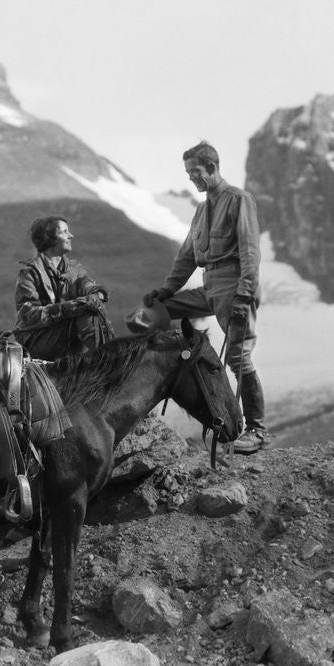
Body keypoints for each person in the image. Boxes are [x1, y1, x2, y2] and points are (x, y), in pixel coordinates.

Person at [144, 141, 269, 454]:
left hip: (232, 285)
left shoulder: (239, 200)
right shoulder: (201, 210)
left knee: (238, 357)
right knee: (155, 312)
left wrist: (244, 294)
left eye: (195, 171)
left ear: (212, 167)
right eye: (188, 172)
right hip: (208, 284)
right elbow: (187, 257)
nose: (191, 177)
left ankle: (256, 430)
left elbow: (250, 251)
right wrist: (166, 292)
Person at [15, 215, 113, 360]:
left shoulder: (73, 269)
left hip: (65, 337)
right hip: (37, 340)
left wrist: (97, 295)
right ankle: (109, 360)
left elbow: (88, 286)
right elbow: (28, 315)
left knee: (91, 309)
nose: (71, 236)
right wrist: (67, 309)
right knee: (84, 312)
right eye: (64, 232)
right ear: (49, 238)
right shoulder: (30, 273)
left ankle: (109, 358)